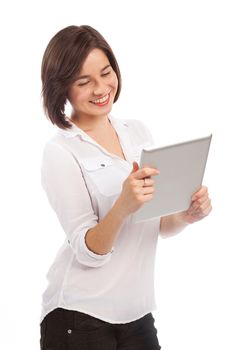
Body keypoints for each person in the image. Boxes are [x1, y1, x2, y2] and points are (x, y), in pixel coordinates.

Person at [39, 25, 212, 350]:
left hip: (137, 313)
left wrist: (186, 215)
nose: (101, 87)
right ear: (62, 88)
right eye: (83, 81)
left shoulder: (137, 133)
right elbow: (87, 251)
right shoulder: (61, 151)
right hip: (78, 316)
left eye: (106, 73)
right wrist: (123, 205)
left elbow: (157, 223)